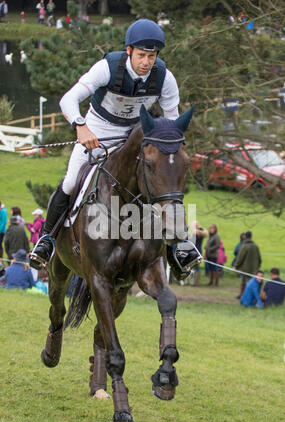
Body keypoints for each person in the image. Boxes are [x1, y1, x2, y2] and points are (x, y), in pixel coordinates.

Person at [29, 18, 196, 280]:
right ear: (129, 50)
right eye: (141, 55)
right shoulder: (107, 68)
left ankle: (177, 247)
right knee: (72, 181)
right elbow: (68, 99)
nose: (146, 62)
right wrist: (81, 127)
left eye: (152, 56)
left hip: (135, 136)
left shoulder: (165, 78)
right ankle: (47, 240)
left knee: (156, 185)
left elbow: (170, 124)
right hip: (98, 129)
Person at [233, 231, 262, 299]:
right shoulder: (256, 246)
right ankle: (248, 296)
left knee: (244, 283)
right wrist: (257, 267)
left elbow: (240, 257)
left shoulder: (244, 246)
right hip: (254, 269)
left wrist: (235, 265)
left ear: (246, 236)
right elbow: (259, 258)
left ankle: (243, 295)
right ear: (251, 237)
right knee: (252, 283)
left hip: (245, 269)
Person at [189, 221, 208, 286]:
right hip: (197, 251)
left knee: (195, 267)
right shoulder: (201, 232)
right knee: (194, 266)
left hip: (195, 251)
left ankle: (195, 282)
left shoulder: (197, 232)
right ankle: (194, 282)